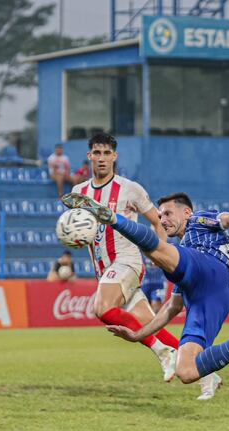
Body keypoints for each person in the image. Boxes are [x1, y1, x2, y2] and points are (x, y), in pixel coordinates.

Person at [63, 190, 229, 400]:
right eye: (160, 216)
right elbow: (172, 307)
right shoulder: (179, 256)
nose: (162, 220)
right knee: (187, 371)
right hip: (208, 300)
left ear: (186, 212)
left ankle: (110, 217)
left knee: (158, 250)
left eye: (168, 213)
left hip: (210, 268)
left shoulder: (198, 221)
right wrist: (137, 335)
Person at [66, 132, 180, 382]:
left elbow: (158, 221)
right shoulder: (79, 192)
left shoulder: (130, 189)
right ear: (89, 156)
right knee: (152, 325)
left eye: (107, 153)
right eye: (97, 152)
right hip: (104, 269)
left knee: (102, 308)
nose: (102, 158)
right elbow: (78, 228)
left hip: (127, 261)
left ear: (115, 156)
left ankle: (162, 353)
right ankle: (205, 370)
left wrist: (159, 252)